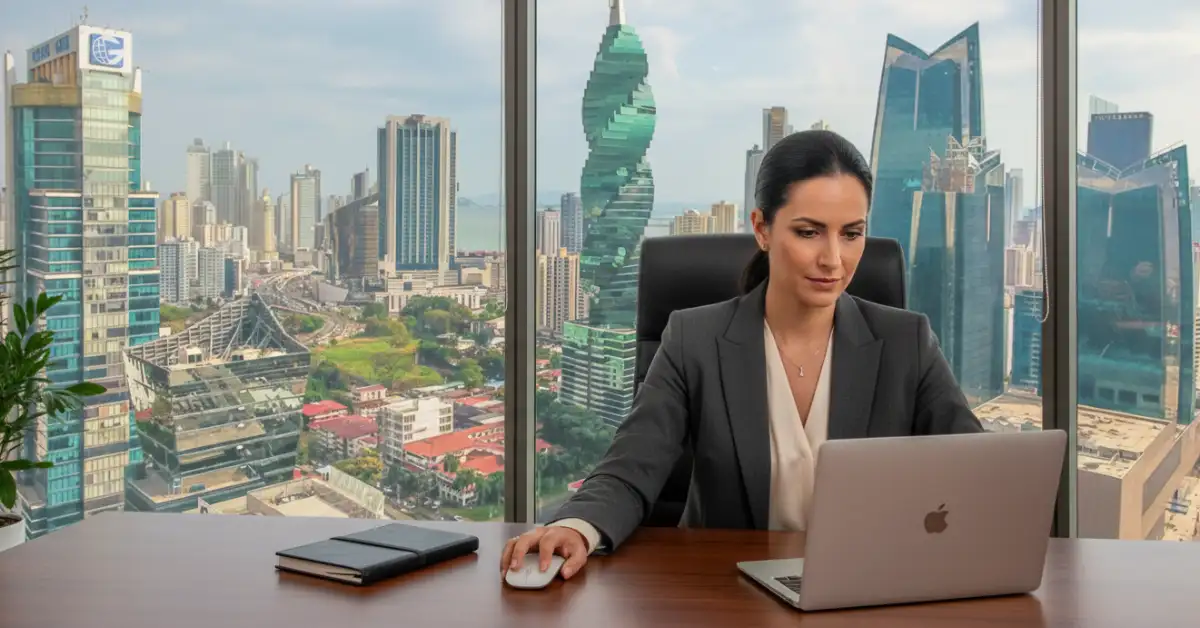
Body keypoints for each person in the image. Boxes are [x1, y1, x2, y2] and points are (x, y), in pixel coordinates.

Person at [501, 129, 984, 581]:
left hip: (865, 587)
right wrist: (579, 526)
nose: (833, 259)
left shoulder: (907, 342)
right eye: (809, 232)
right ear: (762, 229)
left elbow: (979, 472)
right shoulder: (695, 338)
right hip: (724, 590)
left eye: (852, 233)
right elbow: (632, 467)